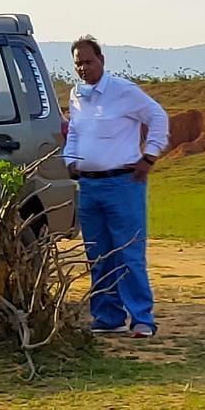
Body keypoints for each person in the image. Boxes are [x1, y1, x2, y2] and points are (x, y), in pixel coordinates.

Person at [63, 35, 169, 338]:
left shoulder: (123, 91)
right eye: (78, 63)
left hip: (123, 183)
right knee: (98, 253)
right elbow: (75, 132)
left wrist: (149, 157)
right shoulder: (77, 95)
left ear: (101, 61)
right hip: (89, 186)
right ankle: (108, 317)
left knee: (129, 252)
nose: (84, 68)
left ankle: (141, 319)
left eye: (89, 61)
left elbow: (157, 116)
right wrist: (70, 160)